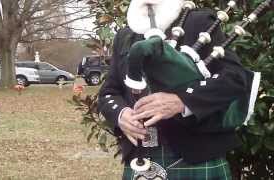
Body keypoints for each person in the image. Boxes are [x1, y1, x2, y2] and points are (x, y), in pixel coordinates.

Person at [97, 0, 258, 179]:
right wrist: (121, 115)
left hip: (197, 155)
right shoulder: (125, 36)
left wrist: (182, 101)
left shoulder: (199, 22)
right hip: (141, 159)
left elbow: (235, 78)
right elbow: (108, 92)